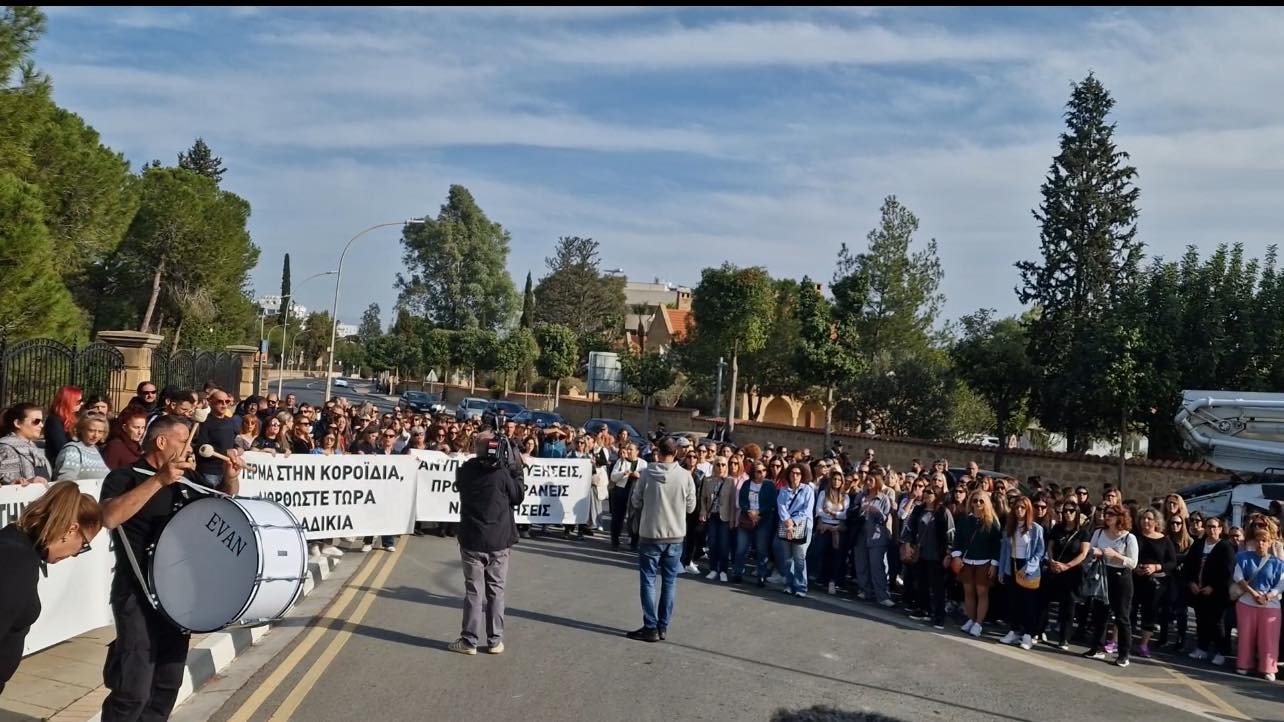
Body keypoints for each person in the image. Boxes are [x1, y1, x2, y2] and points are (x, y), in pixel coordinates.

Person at [98, 415, 243, 721]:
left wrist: (230, 477)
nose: (190, 449)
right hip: (137, 594)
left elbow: (224, 503)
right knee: (133, 690)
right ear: (161, 442)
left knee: (166, 685)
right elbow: (109, 517)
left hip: (180, 598)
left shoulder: (189, 480)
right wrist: (159, 480)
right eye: (183, 441)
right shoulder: (127, 477)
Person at [0, 480, 103, 694]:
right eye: (83, 545)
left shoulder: (17, 544)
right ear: (72, 529)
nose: (75, 554)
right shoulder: (17, 559)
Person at [447, 432, 524, 656]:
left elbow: (460, 482)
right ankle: (494, 640)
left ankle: (469, 640)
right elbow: (518, 495)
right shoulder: (502, 474)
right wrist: (516, 469)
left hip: (472, 539)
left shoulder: (468, 469)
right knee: (495, 591)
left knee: (473, 591)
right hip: (498, 541)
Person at [626, 436, 695, 642]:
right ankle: (663, 626)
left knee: (648, 581)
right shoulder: (685, 476)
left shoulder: (646, 474)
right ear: (676, 453)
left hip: (650, 534)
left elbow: (636, 500)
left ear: (658, 452)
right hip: (675, 535)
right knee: (669, 582)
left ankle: (650, 626)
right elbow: (691, 507)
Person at [1082, 505, 1138, 667]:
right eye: (1106, 514)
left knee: (1122, 617)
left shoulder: (1129, 538)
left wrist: (1116, 555)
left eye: (1111, 514)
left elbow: (1133, 563)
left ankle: (1124, 654)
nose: (1107, 516)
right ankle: (1097, 648)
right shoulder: (1099, 532)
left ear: (1120, 517)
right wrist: (1096, 551)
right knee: (1099, 613)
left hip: (1121, 577)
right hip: (1103, 573)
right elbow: (1090, 550)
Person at [1233, 524, 1284, 680]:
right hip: (1247, 602)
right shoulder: (1243, 557)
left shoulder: (1278, 563)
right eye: (1258, 540)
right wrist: (1254, 594)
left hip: (1270, 605)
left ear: (1269, 543)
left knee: (1269, 638)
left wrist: (1268, 596)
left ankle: (1268, 668)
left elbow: (1281, 584)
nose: (1260, 543)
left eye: (1264, 541)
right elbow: (1238, 577)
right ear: (1253, 542)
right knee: (1245, 635)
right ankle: (1243, 664)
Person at [1186, 516, 1236, 666]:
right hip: (1198, 591)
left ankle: (1221, 651)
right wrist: (1191, 583)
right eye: (1208, 526)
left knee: (1217, 623)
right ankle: (1202, 648)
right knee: (1201, 621)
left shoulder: (1225, 547)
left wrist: (1213, 587)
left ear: (1220, 529)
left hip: (1217, 593)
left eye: (1215, 526)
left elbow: (1228, 572)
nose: (1211, 529)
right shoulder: (1198, 544)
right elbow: (1188, 566)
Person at [998, 496, 1046, 650]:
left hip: (1027, 566)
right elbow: (1004, 550)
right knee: (1014, 601)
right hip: (1011, 565)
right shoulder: (1009, 527)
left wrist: (1029, 568)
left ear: (1028, 510)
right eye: (1017, 507)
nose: (1019, 510)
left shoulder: (1036, 529)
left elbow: (1040, 551)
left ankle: (1028, 634)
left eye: (1022, 508)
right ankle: (1014, 631)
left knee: (1028, 603)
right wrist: (1001, 570)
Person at [1041, 500, 1091, 650]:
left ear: (1076, 513)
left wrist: (1067, 566)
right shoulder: (1057, 528)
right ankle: (1039, 630)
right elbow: (1050, 546)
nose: (1068, 513)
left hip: (1072, 573)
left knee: (1068, 607)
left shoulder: (1083, 532)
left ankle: (1064, 638)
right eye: (1065, 511)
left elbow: (1083, 553)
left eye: (1071, 511)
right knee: (1044, 602)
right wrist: (1052, 561)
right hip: (1055, 570)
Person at [953, 489, 1002, 638]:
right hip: (966, 562)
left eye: (981, 501)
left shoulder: (992, 522)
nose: (978, 504)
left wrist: (994, 564)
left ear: (986, 503)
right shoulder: (965, 520)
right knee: (968, 592)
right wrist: (957, 556)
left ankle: (979, 623)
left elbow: (996, 546)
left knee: (982, 593)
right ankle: (971, 619)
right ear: (971, 502)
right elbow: (958, 540)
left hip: (984, 563)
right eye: (975, 501)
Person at [1132, 508, 1177, 658]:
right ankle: (1119, 640)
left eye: (1149, 519)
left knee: (1149, 614)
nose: (1145, 521)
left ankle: (1144, 644)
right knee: (1128, 610)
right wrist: (1135, 567)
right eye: (1143, 518)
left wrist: (1156, 567)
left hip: (1155, 582)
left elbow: (1172, 562)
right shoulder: (1134, 537)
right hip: (1135, 578)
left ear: (1156, 521)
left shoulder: (1164, 539)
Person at [911, 485, 954, 629]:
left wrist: (948, 554)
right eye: (925, 492)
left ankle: (939, 616)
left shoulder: (943, 512)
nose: (926, 494)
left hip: (937, 555)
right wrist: (908, 544)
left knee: (938, 588)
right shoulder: (918, 510)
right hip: (921, 553)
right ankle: (923, 609)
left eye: (930, 492)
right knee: (921, 583)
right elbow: (911, 528)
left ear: (937, 495)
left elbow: (950, 535)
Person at [733, 459, 779, 587]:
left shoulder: (769, 485)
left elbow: (771, 502)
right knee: (741, 548)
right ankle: (738, 572)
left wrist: (758, 513)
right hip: (747, 519)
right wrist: (749, 511)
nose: (762, 473)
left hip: (763, 520)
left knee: (761, 549)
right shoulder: (747, 484)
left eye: (764, 470)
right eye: (759, 471)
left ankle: (761, 575)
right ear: (753, 472)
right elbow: (742, 500)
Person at [776, 462, 816, 598]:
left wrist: (792, 522)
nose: (795, 476)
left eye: (798, 473)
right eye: (792, 473)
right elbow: (781, 507)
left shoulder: (808, 490)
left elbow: (806, 510)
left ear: (802, 475)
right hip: (786, 526)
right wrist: (787, 523)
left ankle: (801, 586)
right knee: (787, 558)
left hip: (803, 526)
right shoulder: (783, 490)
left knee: (799, 557)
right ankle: (789, 584)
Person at [194, 388, 239, 487]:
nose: (224, 404)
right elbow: (201, 447)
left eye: (227, 401)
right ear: (210, 402)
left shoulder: (230, 421)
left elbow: (232, 442)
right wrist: (225, 452)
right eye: (220, 401)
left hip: (227, 471)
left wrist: (237, 449)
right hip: (210, 472)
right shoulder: (204, 422)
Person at [700, 456, 734, 582]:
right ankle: (713, 568)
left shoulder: (730, 481)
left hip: (724, 517)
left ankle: (723, 570)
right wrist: (703, 511)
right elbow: (703, 498)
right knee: (712, 544)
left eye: (723, 465)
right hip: (712, 515)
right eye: (718, 465)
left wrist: (732, 519)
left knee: (724, 545)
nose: (721, 467)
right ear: (714, 466)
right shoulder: (707, 480)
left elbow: (732, 502)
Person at [0, 403, 51, 485]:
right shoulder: (6, 449)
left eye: (42, 421)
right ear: (18, 423)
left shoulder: (34, 449)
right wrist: (24, 483)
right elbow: (6, 484)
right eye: (36, 421)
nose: (41, 425)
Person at [609, 442, 646, 551]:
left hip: (636, 492)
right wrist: (624, 473)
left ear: (637, 451)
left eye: (631, 449)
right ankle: (615, 541)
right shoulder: (620, 462)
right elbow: (613, 477)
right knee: (617, 517)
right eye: (627, 449)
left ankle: (634, 542)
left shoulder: (643, 464)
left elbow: (646, 478)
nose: (628, 451)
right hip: (621, 491)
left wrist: (638, 475)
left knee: (635, 518)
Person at [54, 413, 110, 481]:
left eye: (100, 432)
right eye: (91, 430)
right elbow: (65, 480)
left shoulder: (95, 449)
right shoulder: (72, 449)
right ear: (81, 429)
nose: (96, 435)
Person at [44, 385, 83, 466]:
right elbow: (61, 447)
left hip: (74, 460)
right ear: (69, 401)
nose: (82, 403)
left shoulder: (74, 418)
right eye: (78, 401)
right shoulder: (54, 421)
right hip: (62, 463)